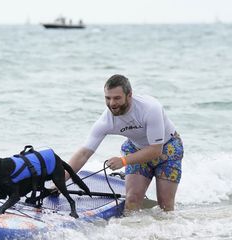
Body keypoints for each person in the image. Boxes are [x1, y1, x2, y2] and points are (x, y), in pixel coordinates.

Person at [68, 74, 183, 212]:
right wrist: (61, 181)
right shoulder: (106, 121)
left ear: (129, 95)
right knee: (132, 199)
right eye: (108, 98)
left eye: (117, 98)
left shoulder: (151, 108)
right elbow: (84, 153)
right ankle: (130, 231)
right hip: (136, 149)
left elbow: (155, 150)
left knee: (165, 206)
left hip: (167, 150)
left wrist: (123, 161)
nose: (112, 104)